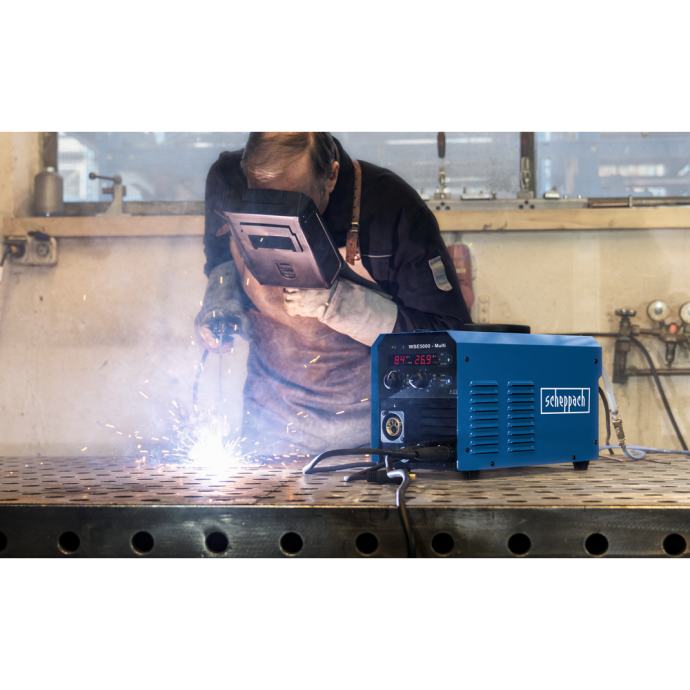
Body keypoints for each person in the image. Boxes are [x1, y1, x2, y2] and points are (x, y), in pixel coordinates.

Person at [197, 132, 471, 458]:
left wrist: (340, 303)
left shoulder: (391, 208)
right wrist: (221, 299)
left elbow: (447, 343)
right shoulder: (227, 180)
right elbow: (221, 256)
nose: (279, 219)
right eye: (263, 203)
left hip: (372, 438)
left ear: (331, 176)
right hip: (270, 429)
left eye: (293, 202)